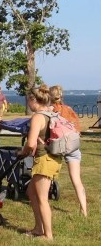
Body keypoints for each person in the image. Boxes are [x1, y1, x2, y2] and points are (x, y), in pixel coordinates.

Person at [19, 84, 62, 240]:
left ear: (32, 100)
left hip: (45, 159)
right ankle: (38, 228)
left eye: (27, 101)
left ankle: (47, 235)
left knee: (43, 198)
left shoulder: (37, 117)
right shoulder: (51, 112)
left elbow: (31, 144)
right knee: (31, 191)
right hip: (53, 157)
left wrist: (23, 152)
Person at [49, 85, 87, 217]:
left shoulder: (50, 111)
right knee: (76, 179)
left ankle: (43, 198)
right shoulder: (69, 110)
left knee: (47, 174)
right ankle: (84, 209)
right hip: (72, 146)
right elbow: (78, 129)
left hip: (56, 147)